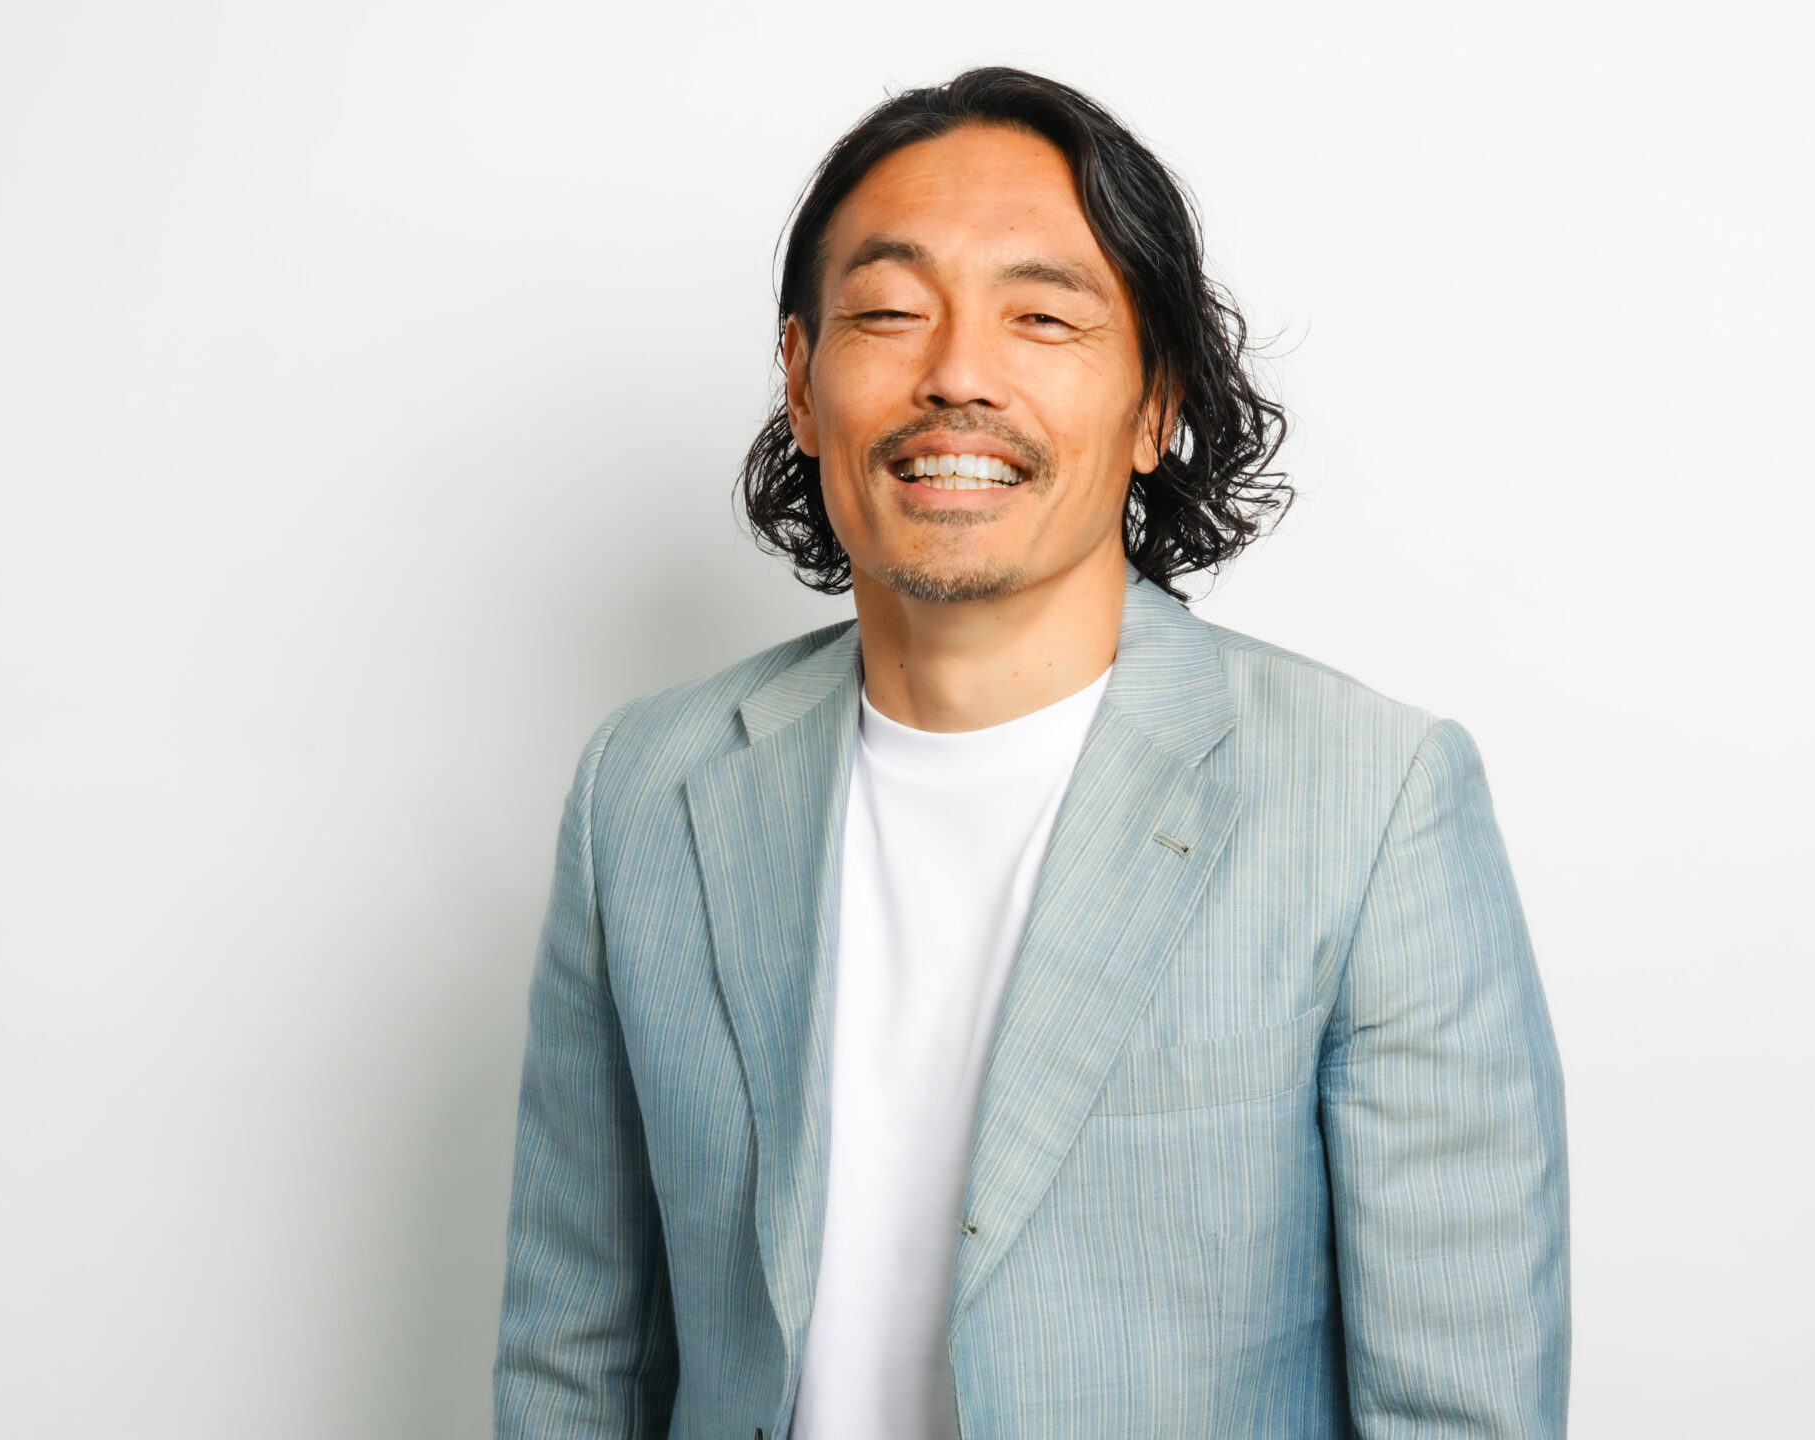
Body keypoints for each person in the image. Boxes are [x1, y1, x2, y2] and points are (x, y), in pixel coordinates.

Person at [495, 66, 1568, 1440]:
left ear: (1155, 403)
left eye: (1043, 317)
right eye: (889, 312)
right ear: (802, 384)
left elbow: (1459, 1407)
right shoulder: (645, 790)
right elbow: (573, 1356)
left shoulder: (1374, 801)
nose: (956, 373)